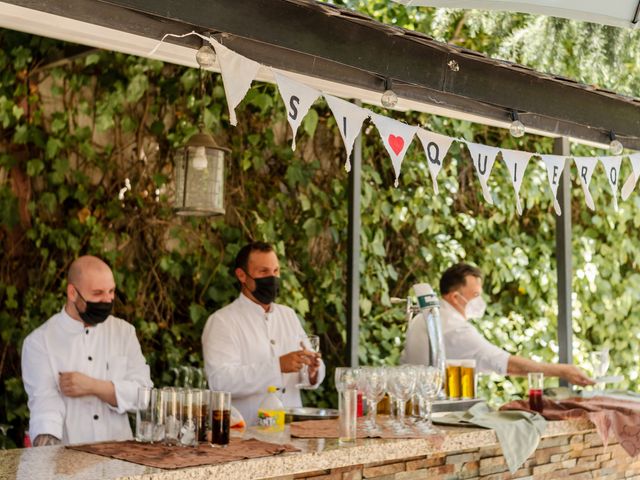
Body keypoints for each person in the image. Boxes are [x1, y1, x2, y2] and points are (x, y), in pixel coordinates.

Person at [21, 255, 152, 446]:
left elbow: (144, 396)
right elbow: (45, 406)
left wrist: (93, 386)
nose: (107, 300)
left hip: (121, 458)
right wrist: (47, 460)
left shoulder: (124, 332)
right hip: (69, 462)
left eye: (111, 291)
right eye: (98, 293)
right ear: (72, 293)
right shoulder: (39, 342)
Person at [401, 263, 594, 386]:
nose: (480, 300)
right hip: (433, 410)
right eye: (475, 295)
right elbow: (505, 364)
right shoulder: (454, 327)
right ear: (455, 297)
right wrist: (562, 371)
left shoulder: (425, 318)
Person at [202, 242, 325, 425]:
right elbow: (220, 381)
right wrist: (277, 366)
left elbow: (308, 370)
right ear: (242, 275)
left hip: (292, 430)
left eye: (276, 271)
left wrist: (313, 370)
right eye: (263, 272)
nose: (272, 278)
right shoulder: (222, 322)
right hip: (246, 433)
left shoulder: (288, 315)